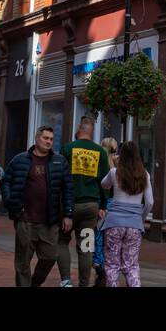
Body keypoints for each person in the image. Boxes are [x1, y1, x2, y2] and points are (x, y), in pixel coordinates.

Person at [1, 125, 73, 287]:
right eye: (45, 138)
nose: (49, 142)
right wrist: (10, 202)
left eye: (51, 139)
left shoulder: (59, 161)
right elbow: (6, 181)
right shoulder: (20, 159)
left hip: (50, 220)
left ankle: (35, 283)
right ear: (37, 138)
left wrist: (68, 214)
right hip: (25, 220)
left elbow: (68, 188)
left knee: (50, 257)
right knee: (22, 263)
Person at [58, 117, 109, 287]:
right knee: (86, 248)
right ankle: (83, 284)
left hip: (70, 204)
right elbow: (105, 182)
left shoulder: (67, 149)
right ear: (92, 131)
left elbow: (60, 179)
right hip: (91, 207)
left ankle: (66, 281)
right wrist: (103, 205)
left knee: (62, 241)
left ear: (79, 129)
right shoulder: (100, 152)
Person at [99, 140, 152, 287]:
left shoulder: (115, 172)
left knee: (112, 264)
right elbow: (149, 202)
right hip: (134, 225)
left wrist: (115, 166)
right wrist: (140, 219)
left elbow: (103, 184)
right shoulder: (145, 175)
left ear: (121, 155)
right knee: (131, 266)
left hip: (114, 223)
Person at [94, 136, 118, 286]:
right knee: (109, 236)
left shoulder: (99, 163)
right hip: (113, 204)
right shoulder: (117, 166)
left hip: (101, 203)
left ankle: (97, 261)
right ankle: (105, 263)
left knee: (96, 234)